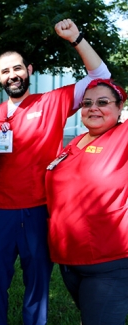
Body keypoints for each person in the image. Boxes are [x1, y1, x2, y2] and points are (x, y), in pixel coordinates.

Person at [0, 19, 111, 325]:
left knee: (37, 285)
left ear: (29, 70)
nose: (12, 75)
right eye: (4, 71)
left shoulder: (52, 101)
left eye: (17, 68)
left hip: (40, 210)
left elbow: (101, 75)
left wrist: (76, 38)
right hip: (0, 211)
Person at [45, 79, 128, 324]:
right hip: (68, 260)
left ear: (120, 107)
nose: (93, 108)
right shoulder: (74, 142)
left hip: (108, 262)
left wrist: (76, 39)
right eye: (87, 103)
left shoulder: (123, 137)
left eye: (103, 102)